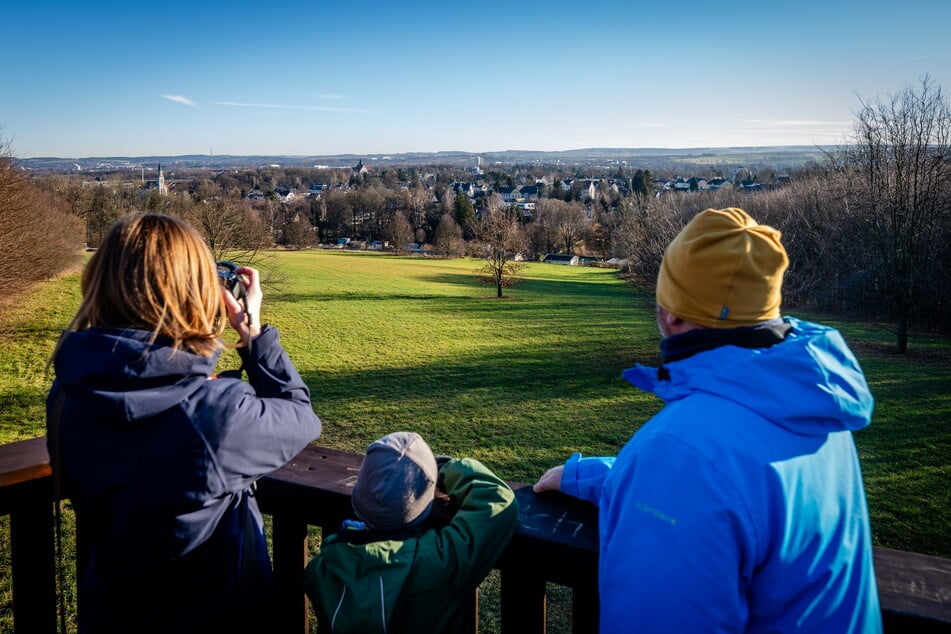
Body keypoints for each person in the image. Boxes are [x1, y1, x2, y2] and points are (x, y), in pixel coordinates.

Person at [534, 208, 881, 633]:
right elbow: (737, 490)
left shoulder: (680, 454)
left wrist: (649, 475)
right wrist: (592, 476)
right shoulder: (814, 403)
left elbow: (696, 482)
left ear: (672, 314)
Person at [46, 213, 322, 634]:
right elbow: (299, 414)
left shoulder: (67, 399)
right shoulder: (214, 415)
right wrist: (254, 334)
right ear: (193, 295)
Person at [304, 431, 518, 633]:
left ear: (358, 499)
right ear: (423, 503)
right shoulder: (438, 563)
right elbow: (496, 497)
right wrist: (442, 468)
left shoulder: (324, 569)